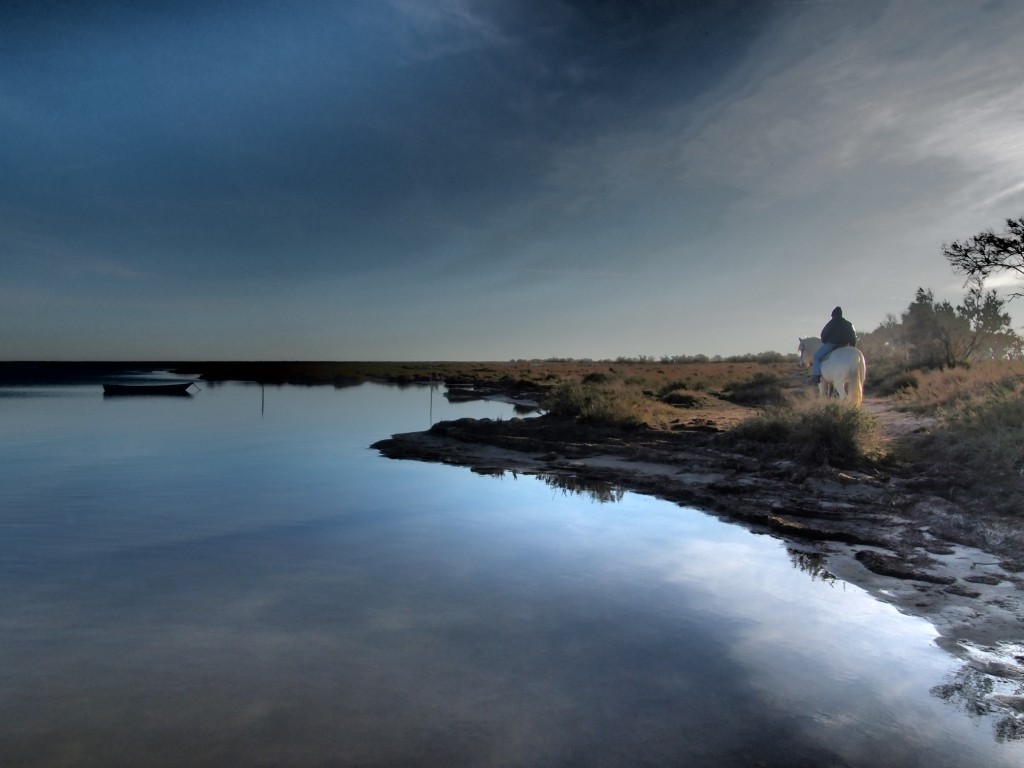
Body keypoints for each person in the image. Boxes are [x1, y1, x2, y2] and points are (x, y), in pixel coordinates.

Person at [810, 306, 857, 384]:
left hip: (832, 345)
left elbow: (823, 335)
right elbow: (853, 336)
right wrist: (852, 347)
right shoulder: (848, 324)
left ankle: (816, 376)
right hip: (845, 345)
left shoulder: (831, 323)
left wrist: (825, 341)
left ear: (833, 315)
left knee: (816, 357)